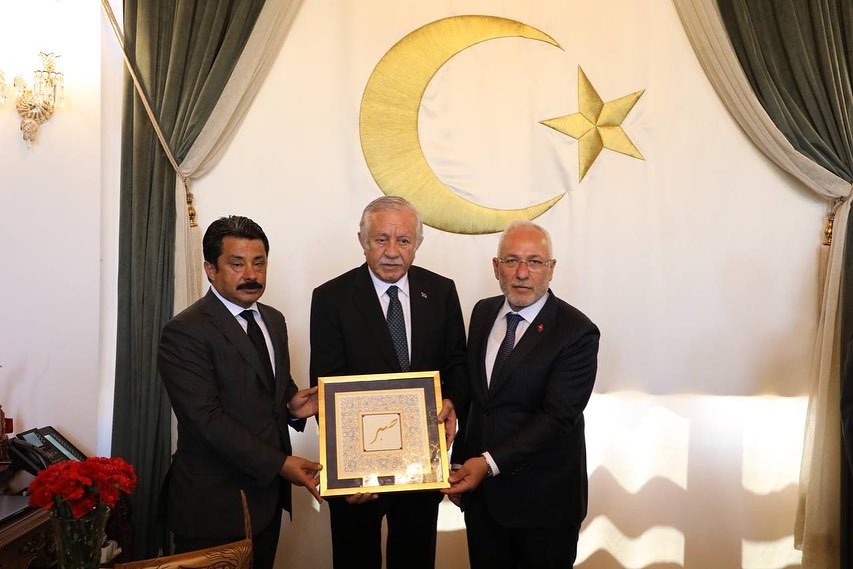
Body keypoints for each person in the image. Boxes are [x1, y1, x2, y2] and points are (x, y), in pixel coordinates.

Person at [310, 196, 467, 569]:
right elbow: (326, 389)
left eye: (404, 240)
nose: (393, 252)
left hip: (420, 469)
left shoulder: (441, 292)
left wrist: (452, 402)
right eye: (381, 239)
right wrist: (349, 470)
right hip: (358, 477)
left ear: (417, 244)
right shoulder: (331, 298)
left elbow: (458, 365)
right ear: (362, 241)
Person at [158, 215, 323, 569]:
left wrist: (292, 407)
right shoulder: (185, 331)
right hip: (214, 507)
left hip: (266, 501)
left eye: (258, 263)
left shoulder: (273, 320)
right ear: (210, 269)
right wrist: (281, 464)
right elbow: (206, 420)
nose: (251, 274)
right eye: (237, 264)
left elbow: (270, 389)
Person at [443, 219, 600, 569]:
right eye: (512, 260)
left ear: (551, 269)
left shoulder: (577, 332)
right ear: (496, 267)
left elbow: (557, 418)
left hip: (543, 507)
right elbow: (479, 402)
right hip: (483, 503)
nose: (522, 273)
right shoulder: (483, 312)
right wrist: (458, 461)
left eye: (534, 262)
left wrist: (486, 464)